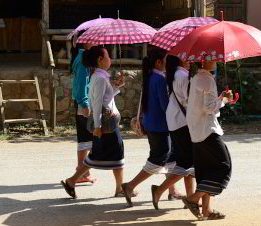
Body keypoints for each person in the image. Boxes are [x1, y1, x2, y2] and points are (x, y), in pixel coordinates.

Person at [61, 46, 126, 198]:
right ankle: (120, 189)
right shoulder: (100, 78)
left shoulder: (101, 76)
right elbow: (96, 103)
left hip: (107, 122)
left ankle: (72, 181)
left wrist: (118, 85)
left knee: (101, 154)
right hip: (106, 123)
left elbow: (107, 96)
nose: (110, 59)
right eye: (107, 56)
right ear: (100, 60)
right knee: (113, 153)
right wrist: (97, 126)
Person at [121, 49, 181, 206]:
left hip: (153, 124)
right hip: (160, 125)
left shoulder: (150, 77)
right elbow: (165, 105)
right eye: (166, 60)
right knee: (158, 159)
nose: (169, 63)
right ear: (158, 62)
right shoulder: (160, 79)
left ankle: (172, 191)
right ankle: (130, 185)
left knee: (170, 157)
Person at [181, 61, 233, 220]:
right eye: (214, 58)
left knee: (206, 170)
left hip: (196, 131)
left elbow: (203, 104)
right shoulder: (207, 79)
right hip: (206, 130)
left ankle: (207, 210)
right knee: (224, 166)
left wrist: (220, 99)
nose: (216, 61)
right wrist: (224, 100)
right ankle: (193, 198)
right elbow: (209, 107)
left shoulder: (196, 77)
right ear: (206, 59)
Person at [151, 55, 196, 210]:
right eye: (188, 58)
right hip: (182, 122)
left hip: (176, 121)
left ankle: (191, 198)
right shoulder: (182, 75)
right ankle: (160, 190)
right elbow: (189, 101)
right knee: (187, 163)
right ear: (181, 60)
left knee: (187, 162)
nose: (191, 61)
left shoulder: (176, 74)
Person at [69, 32, 94, 184]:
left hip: (82, 101)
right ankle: (81, 172)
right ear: (84, 42)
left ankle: (83, 172)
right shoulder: (83, 59)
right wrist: (85, 104)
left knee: (85, 139)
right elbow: (80, 86)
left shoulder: (82, 57)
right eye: (90, 39)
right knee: (87, 138)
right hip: (83, 102)